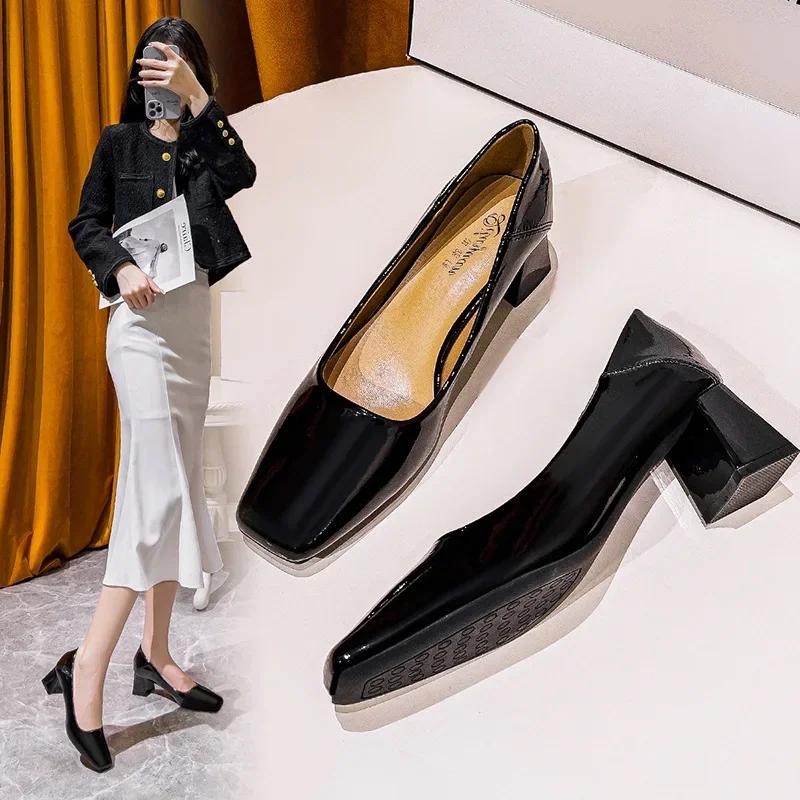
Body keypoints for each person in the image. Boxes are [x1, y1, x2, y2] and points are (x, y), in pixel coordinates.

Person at [42, 16, 256, 772]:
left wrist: (200, 100)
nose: (158, 77)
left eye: (174, 66)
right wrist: (118, 266)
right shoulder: (119, 144)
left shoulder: (202, 144)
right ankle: (86, 669)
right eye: (150, 66)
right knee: (155, 495)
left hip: (191, 331)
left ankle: (157, 656)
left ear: (191, 72)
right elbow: (84, 221)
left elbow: (241, 174)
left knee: (178, 488)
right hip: (137, 333)